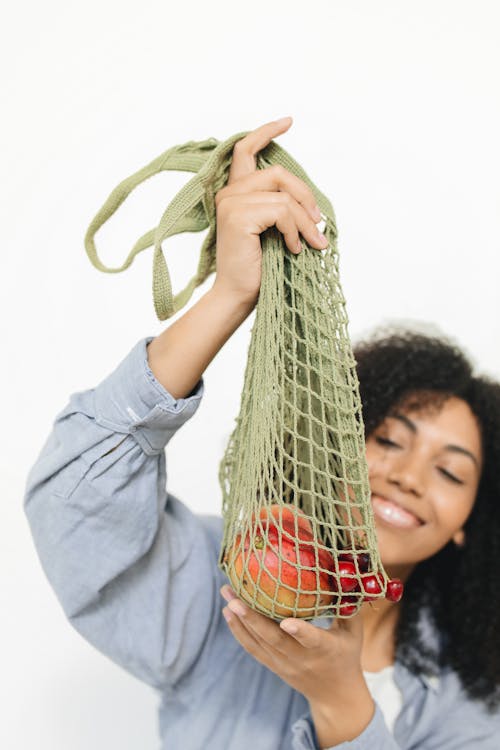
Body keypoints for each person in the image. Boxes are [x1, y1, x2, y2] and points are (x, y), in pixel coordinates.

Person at [24, 117, 500, 749]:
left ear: (470, 515)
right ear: (333, 439)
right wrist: (229, 295)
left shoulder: (474, 694)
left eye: (450, 471)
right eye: (388, 440)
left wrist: (340, 699)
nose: (408, 477)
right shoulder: (233, 582)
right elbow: (73, 511)